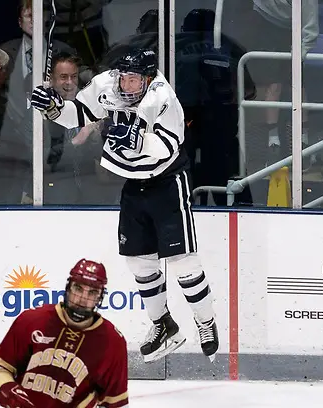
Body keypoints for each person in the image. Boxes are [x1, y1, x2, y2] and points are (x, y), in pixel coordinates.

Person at [29, 48, 219, 363]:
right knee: (140, 263)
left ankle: (205, 322)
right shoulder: (107, 84)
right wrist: (53, 108)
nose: (127, 85)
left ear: (148, 78)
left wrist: (139, 141)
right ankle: (164, 325)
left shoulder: (162, 98)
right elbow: (78, 114)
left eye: (135, 79)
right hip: (134, 184)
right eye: (124, 77)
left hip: (168, 182)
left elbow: (171, 144)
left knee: (183, 262)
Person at [0, 259, 129, 408]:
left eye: (92, 292)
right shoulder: (32, 321)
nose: (82, 299)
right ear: (68, 288)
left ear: (100, 297)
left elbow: (117, 403)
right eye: (78, 288)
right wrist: (6, 391)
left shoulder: (112, 342)